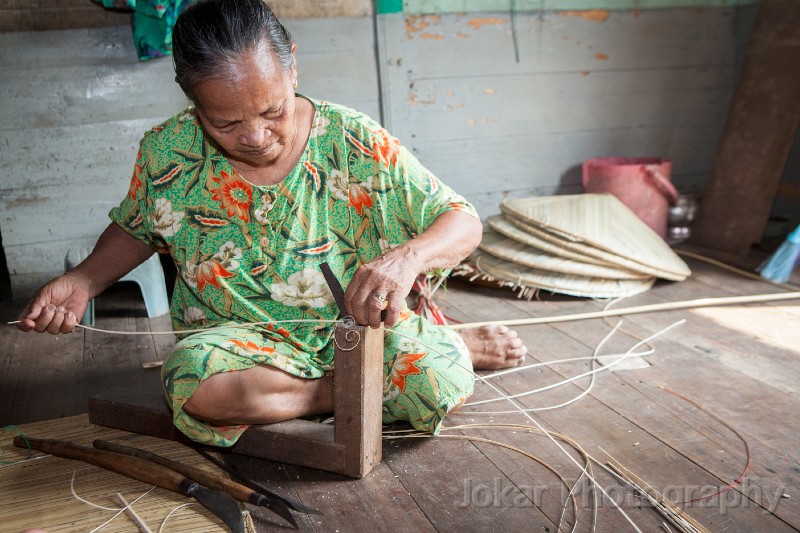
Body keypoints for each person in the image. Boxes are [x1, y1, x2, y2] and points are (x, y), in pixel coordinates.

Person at [16, 0, 526, 447]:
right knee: (195, 386)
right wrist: (84, 280)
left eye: (272, 110)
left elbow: (463, 222)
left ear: (293, 68)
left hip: (360, 332)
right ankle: (342, 390)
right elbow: (139, 226)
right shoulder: (166, 152)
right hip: (242, 344)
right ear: (190, 98)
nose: (256, 136)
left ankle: (428, 353)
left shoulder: (352, 140)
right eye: (226, 123)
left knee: (439, 383)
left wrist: (406, 258)